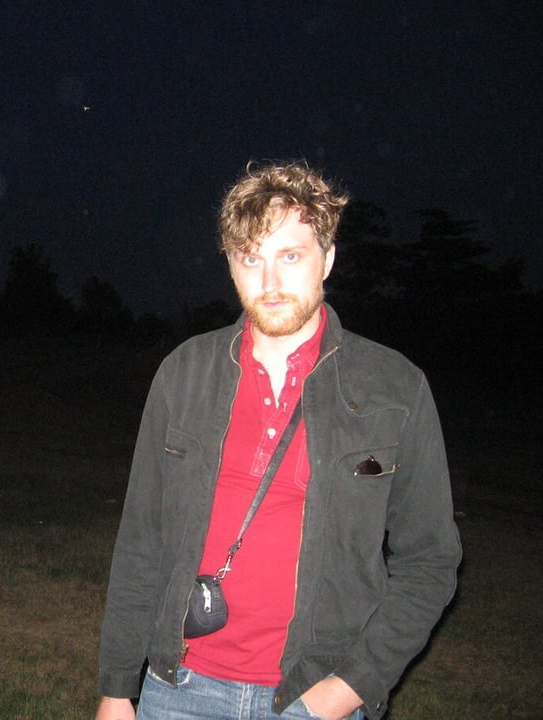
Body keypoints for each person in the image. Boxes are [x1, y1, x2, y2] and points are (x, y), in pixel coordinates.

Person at [95, 162, 461, 720]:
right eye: (250, 258)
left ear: (327, 259)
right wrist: (118, 688)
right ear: (231, 265)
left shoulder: (393, 387)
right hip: (180, 688)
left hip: (313, 692)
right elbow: (141, 542)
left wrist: (348, 688)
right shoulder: (184, 373)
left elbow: (430, 559)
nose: (269, 283)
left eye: (290, 256)